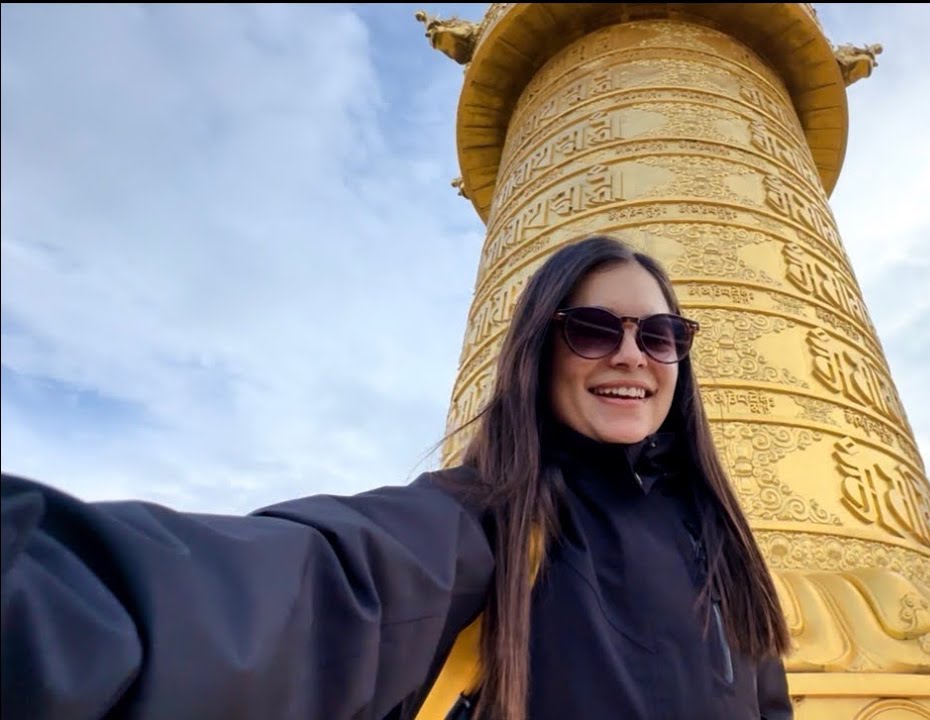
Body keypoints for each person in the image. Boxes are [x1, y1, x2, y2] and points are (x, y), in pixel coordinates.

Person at [1, 235, 794, 720]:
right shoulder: (486, 519)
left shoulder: (716, 542)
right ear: (538, 353)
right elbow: (315, 592)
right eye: (591, 329)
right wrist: (53, 597)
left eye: (660, 335)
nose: (630, 355)